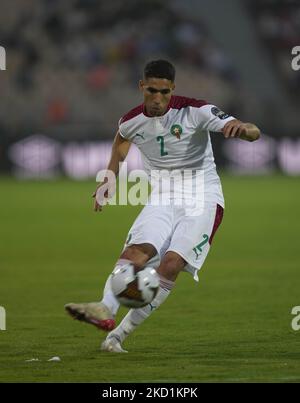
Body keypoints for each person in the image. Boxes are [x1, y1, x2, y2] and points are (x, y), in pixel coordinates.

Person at [65, 60, 260, 353]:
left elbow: (254, 132)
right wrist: (108, 180)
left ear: (173, 89)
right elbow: (120, 145)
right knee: (134, 254)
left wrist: (243, 128)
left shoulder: (196, 110)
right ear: (141, 87)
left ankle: (117, 336)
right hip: (163, 196)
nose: (158, 99)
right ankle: (105, 309)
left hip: (203, 197)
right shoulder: (131, 121)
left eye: (165, 92)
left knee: (170, 265)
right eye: (152, 91)